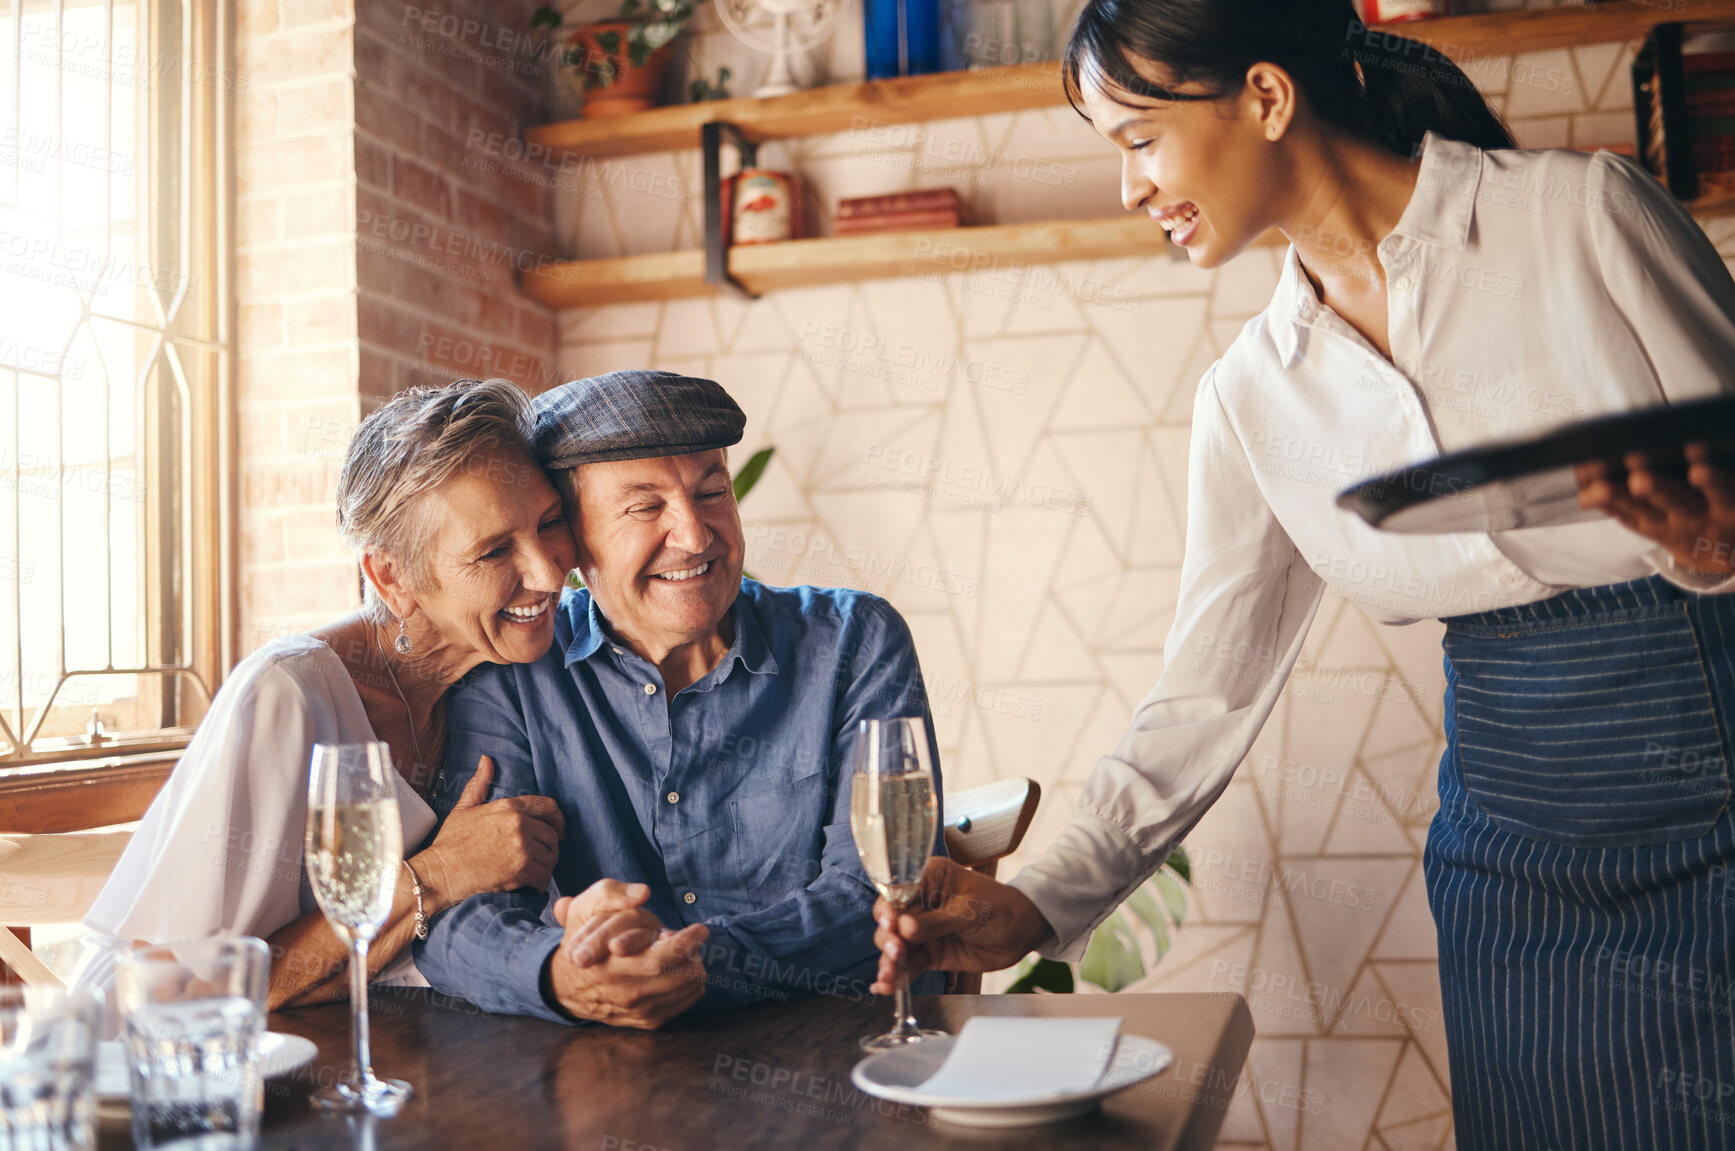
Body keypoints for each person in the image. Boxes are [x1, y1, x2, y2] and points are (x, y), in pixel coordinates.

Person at [872, 1, 1735, 1147]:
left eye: (1137, 138)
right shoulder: (1251, 395)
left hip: (1709, 779)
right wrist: (1038, 901)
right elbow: (1205, 694)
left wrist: (1717, 551)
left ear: (1267, 98)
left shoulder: (1582, 215)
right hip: (1513, 849)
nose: (1129, 187)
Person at [73, 379, 639, 1014]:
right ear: (391, 576)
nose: (546, 570)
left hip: (371, 1057)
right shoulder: (286, 695)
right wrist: (442, 872)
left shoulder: (494, 673)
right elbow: (182, 990)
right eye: (493, 550)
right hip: (145, 1068)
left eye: (550, 522)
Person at [412, 370, 946, 1028]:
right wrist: (558, 972)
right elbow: (454, 922)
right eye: (645, 506)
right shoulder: (515, 673)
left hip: (844, 1062)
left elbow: (877, 893)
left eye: (712, 491)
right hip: (614, 1089)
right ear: (571, 539)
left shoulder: (852, 641)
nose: (695, 534)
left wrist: (693, 963)